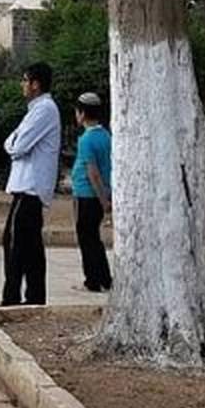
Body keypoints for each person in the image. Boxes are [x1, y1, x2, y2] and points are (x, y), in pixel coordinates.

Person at [1, 62, 61, 306]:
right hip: (27, 187)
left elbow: (18, 146)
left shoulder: (44, 109)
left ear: (35, 84)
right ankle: (35, 297)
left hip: (30, 187)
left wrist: (14, 144)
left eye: (25, 80)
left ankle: (12, 297)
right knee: (31, 246)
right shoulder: (35, 110)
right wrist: (13, 143)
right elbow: (11, 141)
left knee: (14, 242)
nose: (22, 85)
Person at [71, 92, 112, 293]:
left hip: (86, 195)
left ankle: (92, 280)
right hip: (98, 194)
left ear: (82, 113)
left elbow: (93, 172)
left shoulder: (86, 140)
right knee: (94, 237)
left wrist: (103, 200)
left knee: (86, 238)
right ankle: (104, 278)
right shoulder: (106, 136)